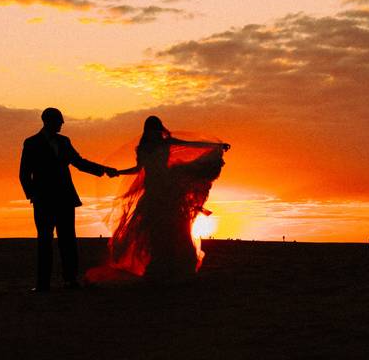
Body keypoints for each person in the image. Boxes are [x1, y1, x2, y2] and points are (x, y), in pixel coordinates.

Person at [89, 115, 229, 284]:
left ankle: (176, 267)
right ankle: (161, 267)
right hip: (153, 193)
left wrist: (216, 146)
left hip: (167, 191)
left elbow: (189, 144)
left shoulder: (165, 143)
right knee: (156, 232)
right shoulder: (143, 149)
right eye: (152, 129)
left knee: (176, 228)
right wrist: (119, 172)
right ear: (148, 131)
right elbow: (138, 169)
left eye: (157, 129)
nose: (155, 132)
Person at [19, 107, 118, 292]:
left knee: (68, 241)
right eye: (59, 120)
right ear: (48, 121)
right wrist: (34, 195)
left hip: (64, 199)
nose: (62, 124)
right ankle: (43, 284)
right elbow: (24, 173)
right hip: (44, 201)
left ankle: (70, 280)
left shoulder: (64, 142)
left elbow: (79, 162)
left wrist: (103, 170)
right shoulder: (31, 143)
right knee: (45, 241)